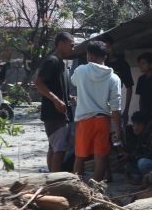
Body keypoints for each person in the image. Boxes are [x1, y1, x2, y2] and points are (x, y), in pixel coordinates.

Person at [71, 40, 122, 181]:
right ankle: (95, 190)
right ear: (105, 56)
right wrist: (118, 129)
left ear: (88, 55)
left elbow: (73, 82)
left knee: (80, 158)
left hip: (84, 121)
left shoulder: (80, 71)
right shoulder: (114, 78)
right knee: (100, 158)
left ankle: (77, 188)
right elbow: (115, 107)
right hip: (103, 121)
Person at [33, 32, 75, 172]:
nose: (73, 49)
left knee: (54, 147)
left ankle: (51, 177)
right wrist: (56, 100)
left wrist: (68, 98)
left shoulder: (61, 64)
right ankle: (55, 180)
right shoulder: (52, 61)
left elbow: (56, 87)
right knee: (59, 149)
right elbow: (38, 83)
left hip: (61, 112)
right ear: (61, 44)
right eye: (71, 45)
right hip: (54, 113)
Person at [98, 35, 134, 123]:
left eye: (108, 47)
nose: (106, 50)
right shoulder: (97, 64)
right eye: (103, 48)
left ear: (112, 46)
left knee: (115, 133)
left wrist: (126, 110)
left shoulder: (122, 64)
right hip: (98, 107)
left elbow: (129, 87)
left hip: (115, 105)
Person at [125, 111, 152, 179]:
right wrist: (129, 157)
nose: (134, 127)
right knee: (128, 166)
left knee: (143, 163)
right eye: (134, 124)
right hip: (148, 161)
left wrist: (135, 157)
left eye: (138, 124)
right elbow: (138, 151)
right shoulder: (141, 136)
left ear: (145, 124)